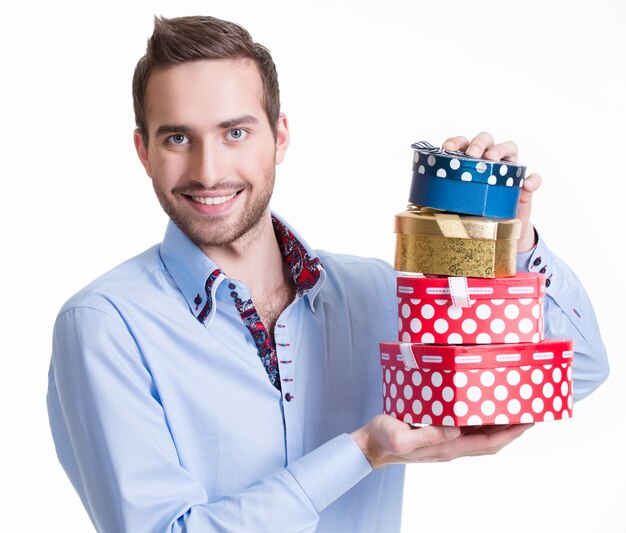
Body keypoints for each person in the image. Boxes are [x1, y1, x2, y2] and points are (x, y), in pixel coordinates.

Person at [46, 15, 609, 533]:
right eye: (177, 138)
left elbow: (575, 368)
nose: (208, 170)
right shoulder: (104, 325)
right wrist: (364, 450)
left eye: (235, 132)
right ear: (144, 152)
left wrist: (510, 242)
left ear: (280, 137)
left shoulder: (377, 295)